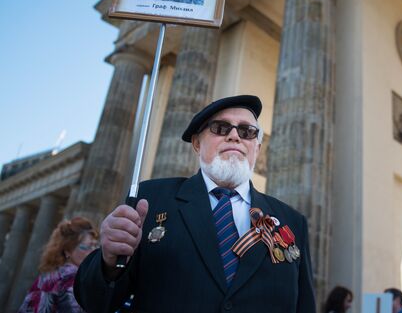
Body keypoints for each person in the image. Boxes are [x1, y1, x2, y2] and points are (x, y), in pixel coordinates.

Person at [74, 95, 316, 313]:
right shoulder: (152, 199)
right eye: (220, 128)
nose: (234, 136)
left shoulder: (291, 222)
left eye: (247, 131)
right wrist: (108, 261)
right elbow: (96, 302)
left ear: (257, 148)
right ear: (197, 144)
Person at [18, 217, 98, 313]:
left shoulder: (45, 276)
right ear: (67, 250)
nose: (93, 251)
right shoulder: (73, 278)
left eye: (95, 246)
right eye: (86, 247)